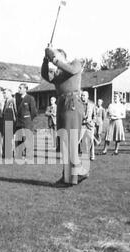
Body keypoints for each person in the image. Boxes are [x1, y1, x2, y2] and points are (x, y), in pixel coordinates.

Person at [42, 45, 87, 186]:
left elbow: (73, 70)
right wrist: (45, 60)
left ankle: (80, 172)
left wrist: (53, 58)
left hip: (72, 103)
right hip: (62, 104)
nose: (53, 58)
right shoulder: (58, 74)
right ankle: (68, 178)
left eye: (55, 55)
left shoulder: (75, 63)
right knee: (65, 143)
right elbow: (45, 76)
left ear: (62, 56)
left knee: (70, 141)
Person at [15, 83, 37, 159]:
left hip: (26, 122)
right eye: (19, 88)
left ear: (25, 89)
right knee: (20, 139)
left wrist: (28, 119)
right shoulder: (17, 98)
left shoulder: (30, 98)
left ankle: (28, 155)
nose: (19, 90)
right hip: (19, 122)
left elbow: (34, 112)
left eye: (20, 88)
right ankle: (20, 155)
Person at [79, 91, 96, 160]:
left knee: (91, 140)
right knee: (78, 140)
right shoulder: (78, 105)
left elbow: (94, 116)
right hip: (81, 125)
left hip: (89, 125)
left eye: (84, 95)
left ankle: (92, 156)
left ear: (88, 96)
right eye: (82, 95)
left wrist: (92, 122)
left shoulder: (92, 105)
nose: (83, 97)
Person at [2, 88, 17, 159]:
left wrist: (16, 121)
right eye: (3, 93)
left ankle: (10, 153)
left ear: (10, 93)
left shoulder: (13, 101)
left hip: (11, 121)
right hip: (5, 121)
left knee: (10, 138)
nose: (4, 94)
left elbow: (16, 112)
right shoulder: (6, 101)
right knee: (6, 138)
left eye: (5, 93)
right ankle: (6, 153)